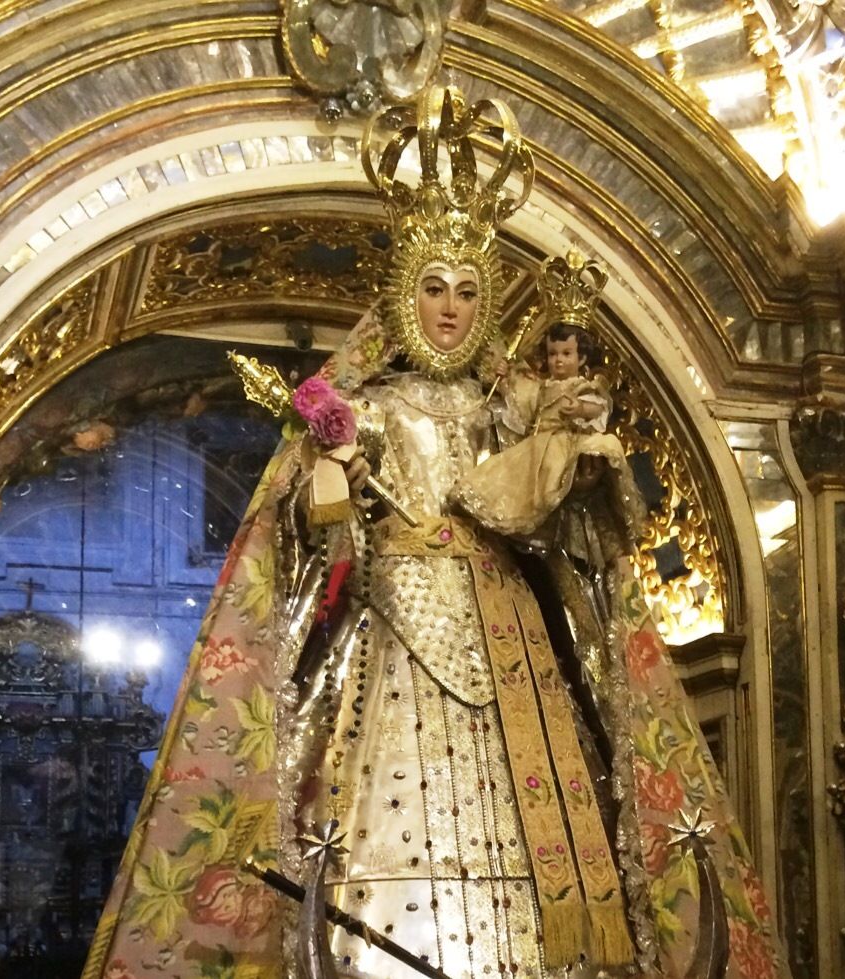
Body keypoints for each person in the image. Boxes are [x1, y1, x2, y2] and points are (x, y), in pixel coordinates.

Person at [82, 86, 784, 979]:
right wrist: (335, 469)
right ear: (405, 297)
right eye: (433, 289)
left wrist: (575, 457)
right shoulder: (366, 406)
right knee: (372, 805)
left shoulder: (509, 411)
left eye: (466, 292)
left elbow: (564, 530)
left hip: (512, 637)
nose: (450, 309)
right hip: (397, 628)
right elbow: (304, 520)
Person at [451, 316, 631, 537]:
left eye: (566, 353)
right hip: (536, 445)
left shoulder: (582, 386)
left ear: (581, 358)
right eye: (553, 354)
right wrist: (506, 379)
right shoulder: (542, 387)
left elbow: (598, 408)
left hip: (561, 443)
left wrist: (580, 408)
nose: (558, 360)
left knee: (550, 480)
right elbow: (523, 407)